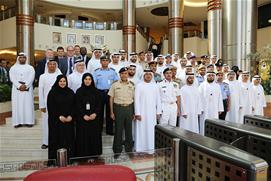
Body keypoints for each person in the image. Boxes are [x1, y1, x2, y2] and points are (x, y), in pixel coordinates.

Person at [47, 75, 75, 160]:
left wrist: (71, 116)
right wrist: (59, 116)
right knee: (56, 140)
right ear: (57, 82)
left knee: (68, 139)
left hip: (68, 122)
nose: (62, 83)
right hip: (56, 122)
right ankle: (55, 159)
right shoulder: (52, 92)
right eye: (61, 81)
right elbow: (50, 107)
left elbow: (74, 106)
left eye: (64, 81)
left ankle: (69, 158)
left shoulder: (70, 92)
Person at [108, 67, 135, 157]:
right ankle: (117, 150)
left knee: (129, 130)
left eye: (126, 73)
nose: (124, 75)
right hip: (118, 109)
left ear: (128, 74)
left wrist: (134, 112)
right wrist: (111, 112)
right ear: (119, 75)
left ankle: (129, 149)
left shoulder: (132, 85)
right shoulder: (115, 85)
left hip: (129, 108)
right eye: (122, 73)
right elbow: (111, 98)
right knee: (118, 130)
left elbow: (134, 99)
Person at [75, 73, 102, 157]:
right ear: (83, 80)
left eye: (89, 79)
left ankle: (94, 154)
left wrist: (95, 114)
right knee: (83, 137)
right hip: (83, 119)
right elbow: (77, 105)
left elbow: (99, 104)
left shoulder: (96, 91)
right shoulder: (79, 91)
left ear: (92, 80)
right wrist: (83, 115)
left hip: (94, 119)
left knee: (94, 136)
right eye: (86, 79)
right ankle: (83, 154)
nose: (87, 81)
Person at [134, 69, 161, 152]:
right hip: (141, 113)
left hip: (152, 113)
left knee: (151, 130)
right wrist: (137, 113)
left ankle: (150, 149)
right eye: (146, 74)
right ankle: (140, 149)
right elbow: (136, 100)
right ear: (143, 75)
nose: (148, 76)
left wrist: (158, 112)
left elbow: (158, 100)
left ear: (152, 76)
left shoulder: (155, 86)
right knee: (141, 130)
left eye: (150, 74)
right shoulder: (139, 85)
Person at [39, 59, 62, 149]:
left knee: (58, 123)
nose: (52, 66)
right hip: (46, 104)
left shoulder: (59, 76)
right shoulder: (42, 76)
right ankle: (46, 142)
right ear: (47, 65)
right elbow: (41, 91)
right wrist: (42, 105)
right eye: (50, 64)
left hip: (59, 104)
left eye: (54, 64)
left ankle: (58, 141)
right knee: (46, 123)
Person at [93, 55, 119, 135]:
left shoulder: (113, 71)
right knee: (99, 112)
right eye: (103, 60)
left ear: (109, 62)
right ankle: (98, 129)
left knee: (110, 112)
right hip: (99, 93)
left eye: (106, 60)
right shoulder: (96, 72)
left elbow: (116, 82)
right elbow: (94, 83)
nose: (105, 62)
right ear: (100, 62)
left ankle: (109, 130)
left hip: (109, 93)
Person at [9, 52, 35, 128]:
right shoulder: (13, 68)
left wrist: (26, 85)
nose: (22, 59)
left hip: (27, 89)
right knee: (17, 105)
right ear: (18, 58)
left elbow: (31, 77)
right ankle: (17, 122)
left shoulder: (30, 68)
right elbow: (12, 78)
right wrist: (19, 85)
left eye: (24, 57)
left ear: (26, 58)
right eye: (20, 57)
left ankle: (29, 121)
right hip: (16, 90)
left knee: (28, 105)